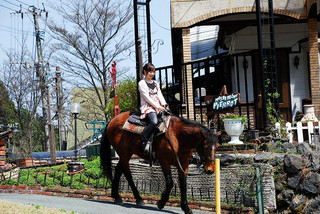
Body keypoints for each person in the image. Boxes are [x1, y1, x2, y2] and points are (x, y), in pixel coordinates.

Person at [138, 63, 169, 155]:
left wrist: (164, 104)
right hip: (148, 107)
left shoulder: (155, 83)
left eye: (153, 72)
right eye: (149, 71)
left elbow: (159, 95)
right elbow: (147, 98)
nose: (151, 74)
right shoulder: (142, 83)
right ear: (145, 72)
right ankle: (144, 141)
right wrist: (157, 106)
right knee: (154, 122)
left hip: (158, 107)